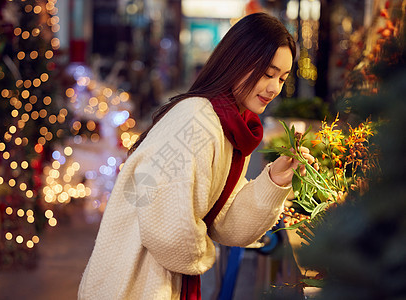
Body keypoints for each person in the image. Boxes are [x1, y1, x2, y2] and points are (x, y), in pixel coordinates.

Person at [78, 12, 315, 300]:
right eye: (267, 74)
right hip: (133, 285)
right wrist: (205, 255)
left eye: (282, 78)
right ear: (237, 60)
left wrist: (275, 180)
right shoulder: (197, 121)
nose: (274, 88)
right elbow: (169, 230)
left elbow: (227, 222)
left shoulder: (226, 123)